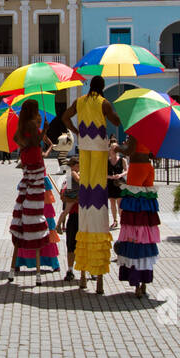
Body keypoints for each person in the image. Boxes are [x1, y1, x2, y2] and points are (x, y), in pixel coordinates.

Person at [61, 74, 120, 294]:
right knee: (98, 197)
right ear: (102, 87)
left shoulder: (80, 101)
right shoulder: (104, 103)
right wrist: (115, 109)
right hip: (99, 152)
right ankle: (97, 277)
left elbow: (65, 117)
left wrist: (76, 131)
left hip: (84, 150)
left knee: (87, 197)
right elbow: (116, 121)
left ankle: (83, 275)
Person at [8, 98, 59, 285]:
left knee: (24, 205)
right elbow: (37, 141)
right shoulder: (30, 124)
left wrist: (28, 143)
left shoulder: (22, 124)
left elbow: (18, 141)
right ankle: (39, 267)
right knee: (37, 211)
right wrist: (44, 129)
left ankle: (14, 266)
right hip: (37, 166)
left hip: (27, 167)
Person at [115, 135, 161, 297]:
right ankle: (143, 281)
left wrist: (117, 148)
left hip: (137, 167)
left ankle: (136, 282)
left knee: (134, 206)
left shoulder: (136, 131)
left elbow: (129, 150)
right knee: (145, 205)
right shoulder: (151, 133)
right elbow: (155, 154)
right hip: (148, 167)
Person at [58, 155, 80, 282]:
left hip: (76, 212)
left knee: (73, 245)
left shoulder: (68, 176)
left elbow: (65, 197)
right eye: (78, 165)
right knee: (72, 245)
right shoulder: (72, 174)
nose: (79, 167)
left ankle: (72, 270)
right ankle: (71, 270)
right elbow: (65, 197)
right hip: (76, 213)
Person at [106, 138, 127, 230]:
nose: (114, 151)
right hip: (110, 183)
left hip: (119, 183)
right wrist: (110, 177)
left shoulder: (122, 160)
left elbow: (127, 171)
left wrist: (120, 175)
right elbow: (103, 173)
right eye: (112, 149)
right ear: (110, 150)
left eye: (115, 149)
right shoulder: (107, 161)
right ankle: (115, 220)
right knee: (112, 203)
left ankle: (123, 220)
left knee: (120, 203)